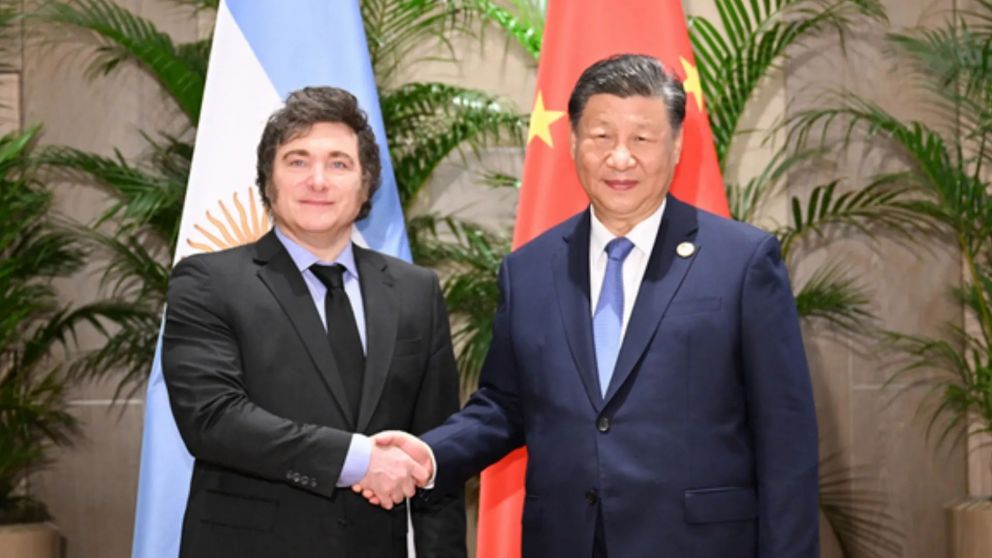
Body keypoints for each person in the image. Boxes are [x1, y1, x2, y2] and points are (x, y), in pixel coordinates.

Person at [362, 54, 819, 557]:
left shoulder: (742, 261)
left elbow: (786, 437)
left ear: (676, 145)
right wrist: (430, 454)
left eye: (641, 138)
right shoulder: (529, 270)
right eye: (601, 136)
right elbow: (505, 406)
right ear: (574, 142)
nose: (620, 158)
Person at [162, 86, 466, 558]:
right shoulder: (207, 282)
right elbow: (213, 419)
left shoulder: (415, 291)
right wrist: (357, 459)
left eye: (339, 163)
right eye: (297, 161)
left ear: (366, 183)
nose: (317, 180)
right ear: (269, 179)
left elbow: (433, 455)